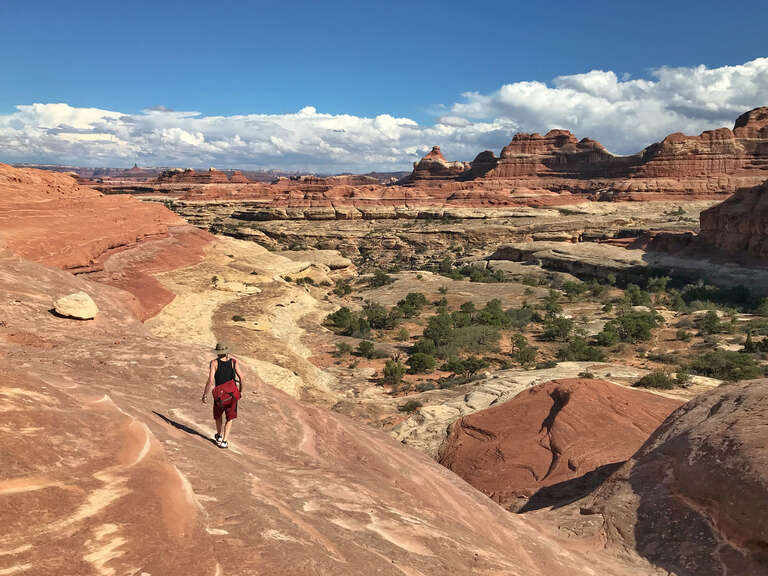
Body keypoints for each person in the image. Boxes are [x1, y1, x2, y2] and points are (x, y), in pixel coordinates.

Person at [201, 342, 243, 449]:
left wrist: (205, 394)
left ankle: (219, 435)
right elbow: (241, 377)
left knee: (218, 415)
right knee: (230, 418)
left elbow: (211, 380)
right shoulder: (233, 362)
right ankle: (224, 441)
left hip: (220, 395)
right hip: (232, 394)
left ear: (218, 352)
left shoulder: (214, 363)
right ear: (227, 352)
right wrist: (240, 391)